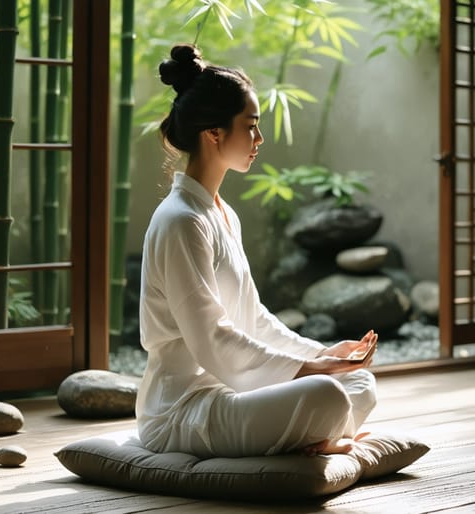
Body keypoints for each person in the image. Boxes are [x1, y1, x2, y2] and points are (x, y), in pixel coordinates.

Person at [136, 44, 378, 459]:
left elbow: (253, 318)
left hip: (232, 394)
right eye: (250, 126)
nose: (259, 139)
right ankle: (312, 440)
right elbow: (212, 339)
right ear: (214, 133)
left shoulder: (222, 213)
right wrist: (312, 370)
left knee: (359, 384)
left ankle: (309, 441)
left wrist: (320, 353)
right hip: (183, 409)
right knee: (327, 395)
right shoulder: (181, 220)